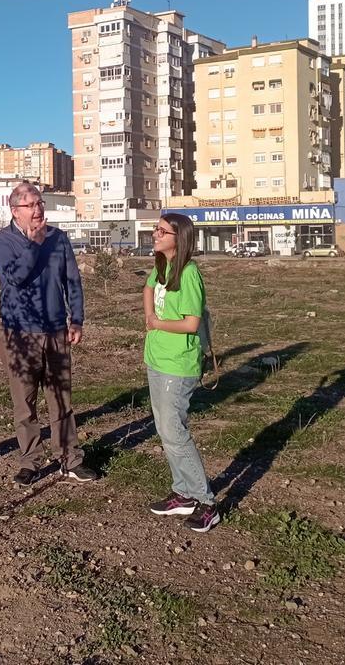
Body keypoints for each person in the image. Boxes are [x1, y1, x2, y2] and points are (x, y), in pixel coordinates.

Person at [0, 181, 97, 487]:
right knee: (25, 402)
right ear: (15, 211)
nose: (37, 210)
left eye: (39, 204)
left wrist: (77, 319)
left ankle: (69, 458)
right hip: (19, 335)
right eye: (30, 206)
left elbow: (72, 281)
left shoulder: (58, 239)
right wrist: (34, 244)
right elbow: (14, 278)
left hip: (56, 331)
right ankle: (30, 461)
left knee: (61, 398)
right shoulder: (1, 242)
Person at [142, 212, 220, 532]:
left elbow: (191, 323)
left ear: (180, 238)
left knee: (175, 432)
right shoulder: (162, 267)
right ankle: (183, 493)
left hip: (179, 365)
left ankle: (207, 503)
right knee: (165, 429)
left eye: (162, 231)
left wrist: (157, 323)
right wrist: (149, 315)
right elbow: (148, 289)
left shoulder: (188, 273)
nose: (155, 235)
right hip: (156, 360)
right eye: (156, 230)